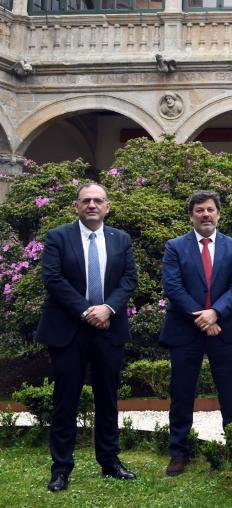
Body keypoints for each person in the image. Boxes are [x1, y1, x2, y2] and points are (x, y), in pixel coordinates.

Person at [36, 183, 138, 492]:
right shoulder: (58, 237)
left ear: (108, 207)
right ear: (76, 207)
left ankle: (110, 461)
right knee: (65, 400)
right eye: (86, 200)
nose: (92, 205)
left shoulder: (121, 239)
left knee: (107, 397)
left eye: (98, 200)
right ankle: (61, 468)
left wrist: (107, 309)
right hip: (68, 330)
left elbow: (129, 279)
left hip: (109, 328)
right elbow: (53, 278)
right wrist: (86, 311)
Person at [159, 190, 232, 476]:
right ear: (191, 215)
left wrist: (216, 313)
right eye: (199, 210)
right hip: (186, 330)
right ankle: (178, 452)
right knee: (182, 393)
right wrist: (203, 317)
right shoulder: (175, 246)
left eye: (210, 209)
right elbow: (173, 287)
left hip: (224, 329)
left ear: (218, 213)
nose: (205, 215)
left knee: (230, 393)